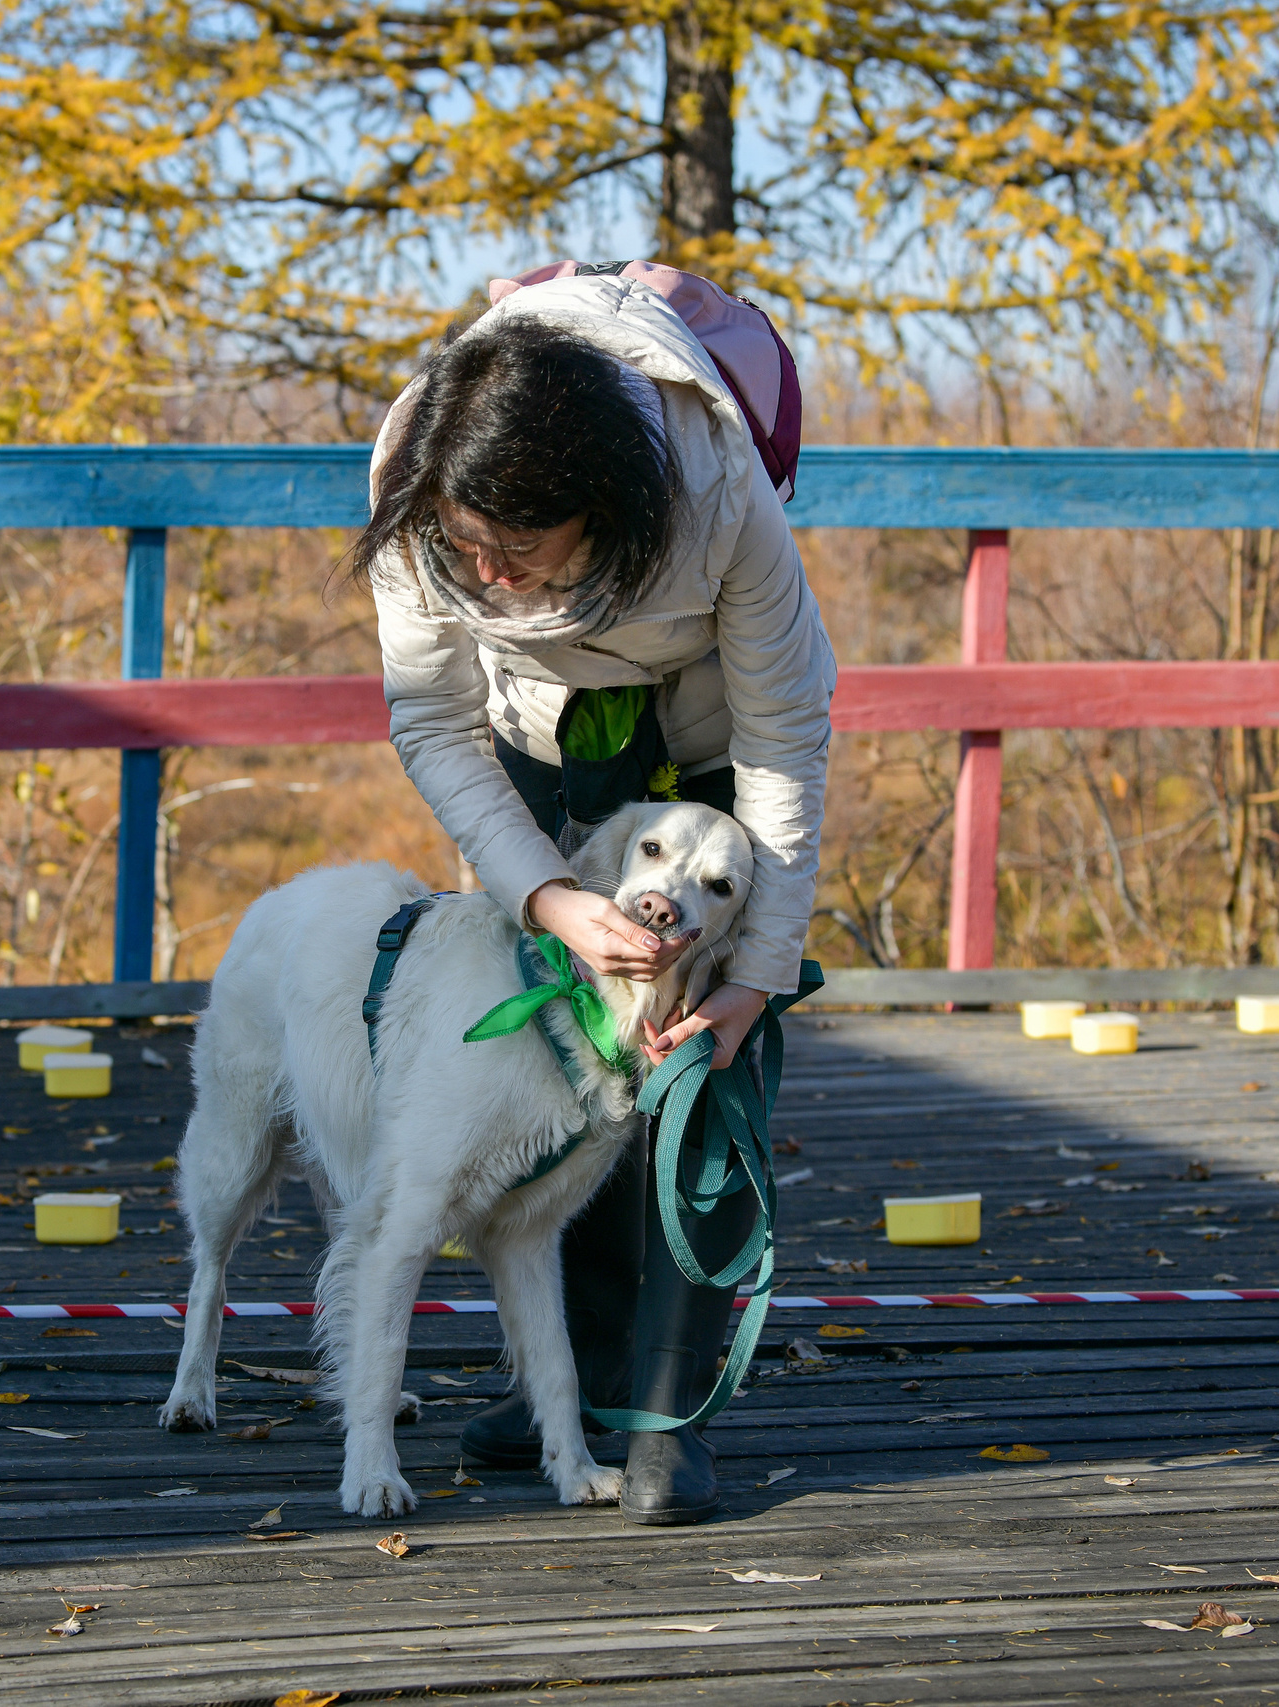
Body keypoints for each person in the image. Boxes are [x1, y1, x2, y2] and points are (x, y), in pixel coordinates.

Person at [352, 269, 836, 1525]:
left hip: (718, 750)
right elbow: (431, 720)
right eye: (467, 549)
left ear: (606, 507)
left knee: (692, 1068)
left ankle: (667, 1406)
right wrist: (545, 899)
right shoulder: (418, 486)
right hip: (535, 750)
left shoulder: (717, 493)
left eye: (518, 552)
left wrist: (753, 976)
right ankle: (555, 1381)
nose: (486, 574)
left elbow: (787, 740)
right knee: (553, 1062)